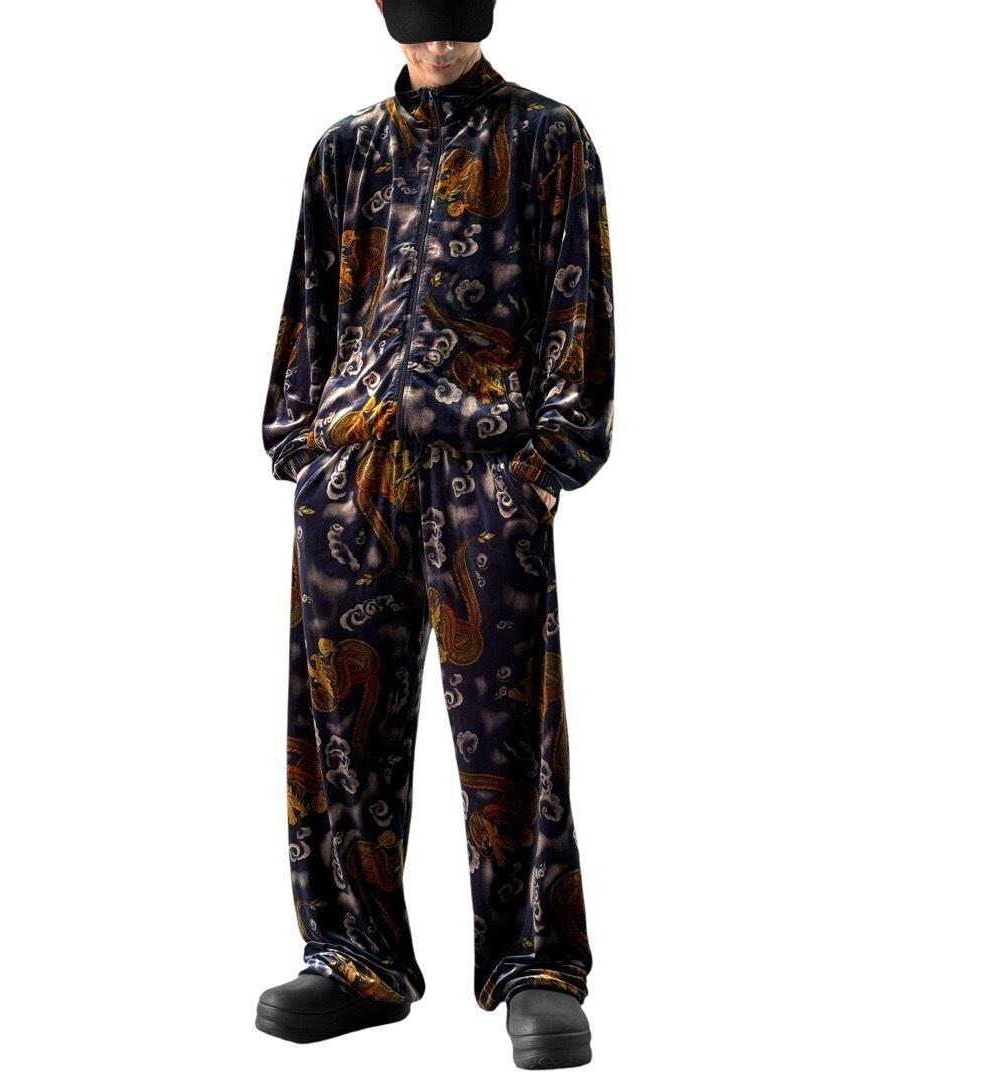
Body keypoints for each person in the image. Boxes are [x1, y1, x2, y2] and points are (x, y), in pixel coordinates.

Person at [256, 0, 614, 1068]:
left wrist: (545, 464)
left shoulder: (547, 137)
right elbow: (311, 307)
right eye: (418, 20)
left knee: (511, 727)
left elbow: (578, 303)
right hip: (354, 471)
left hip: (486, 466)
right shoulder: (345, 153)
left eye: (458, 18)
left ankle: (536, 965)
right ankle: (355, 957)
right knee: (341, 721)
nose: (440, 42)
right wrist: (304, 449)